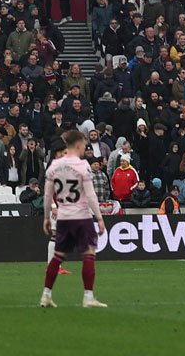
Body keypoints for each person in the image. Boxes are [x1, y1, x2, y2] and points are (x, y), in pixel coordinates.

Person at [40, 129, 107, 308]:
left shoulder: (54, 165)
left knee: (58, 256)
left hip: (63, 217)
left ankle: (46, 295)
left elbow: (47, 195)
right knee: (89, 254)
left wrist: (47, 216)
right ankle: (88, 296)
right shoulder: (82, 165)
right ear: (78, 145)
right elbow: (91, 194)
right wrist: (99, 218)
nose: (85, 148)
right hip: (81, 216)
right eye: (84, 145)